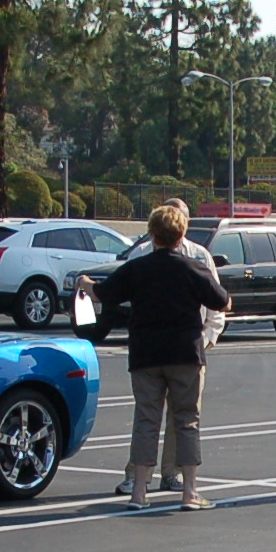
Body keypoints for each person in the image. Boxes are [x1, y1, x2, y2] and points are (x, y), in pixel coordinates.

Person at [105, 201, 230, 509]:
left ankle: (138, 492)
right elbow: (221, 301)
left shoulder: (138, 264)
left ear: (152, 233)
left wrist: (86, 284)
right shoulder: (193, 264)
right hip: (185, 351)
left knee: (146, 420)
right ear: (182, 233)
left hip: (146, 353)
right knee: (187, 420)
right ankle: (189, 491)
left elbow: (106, 292)